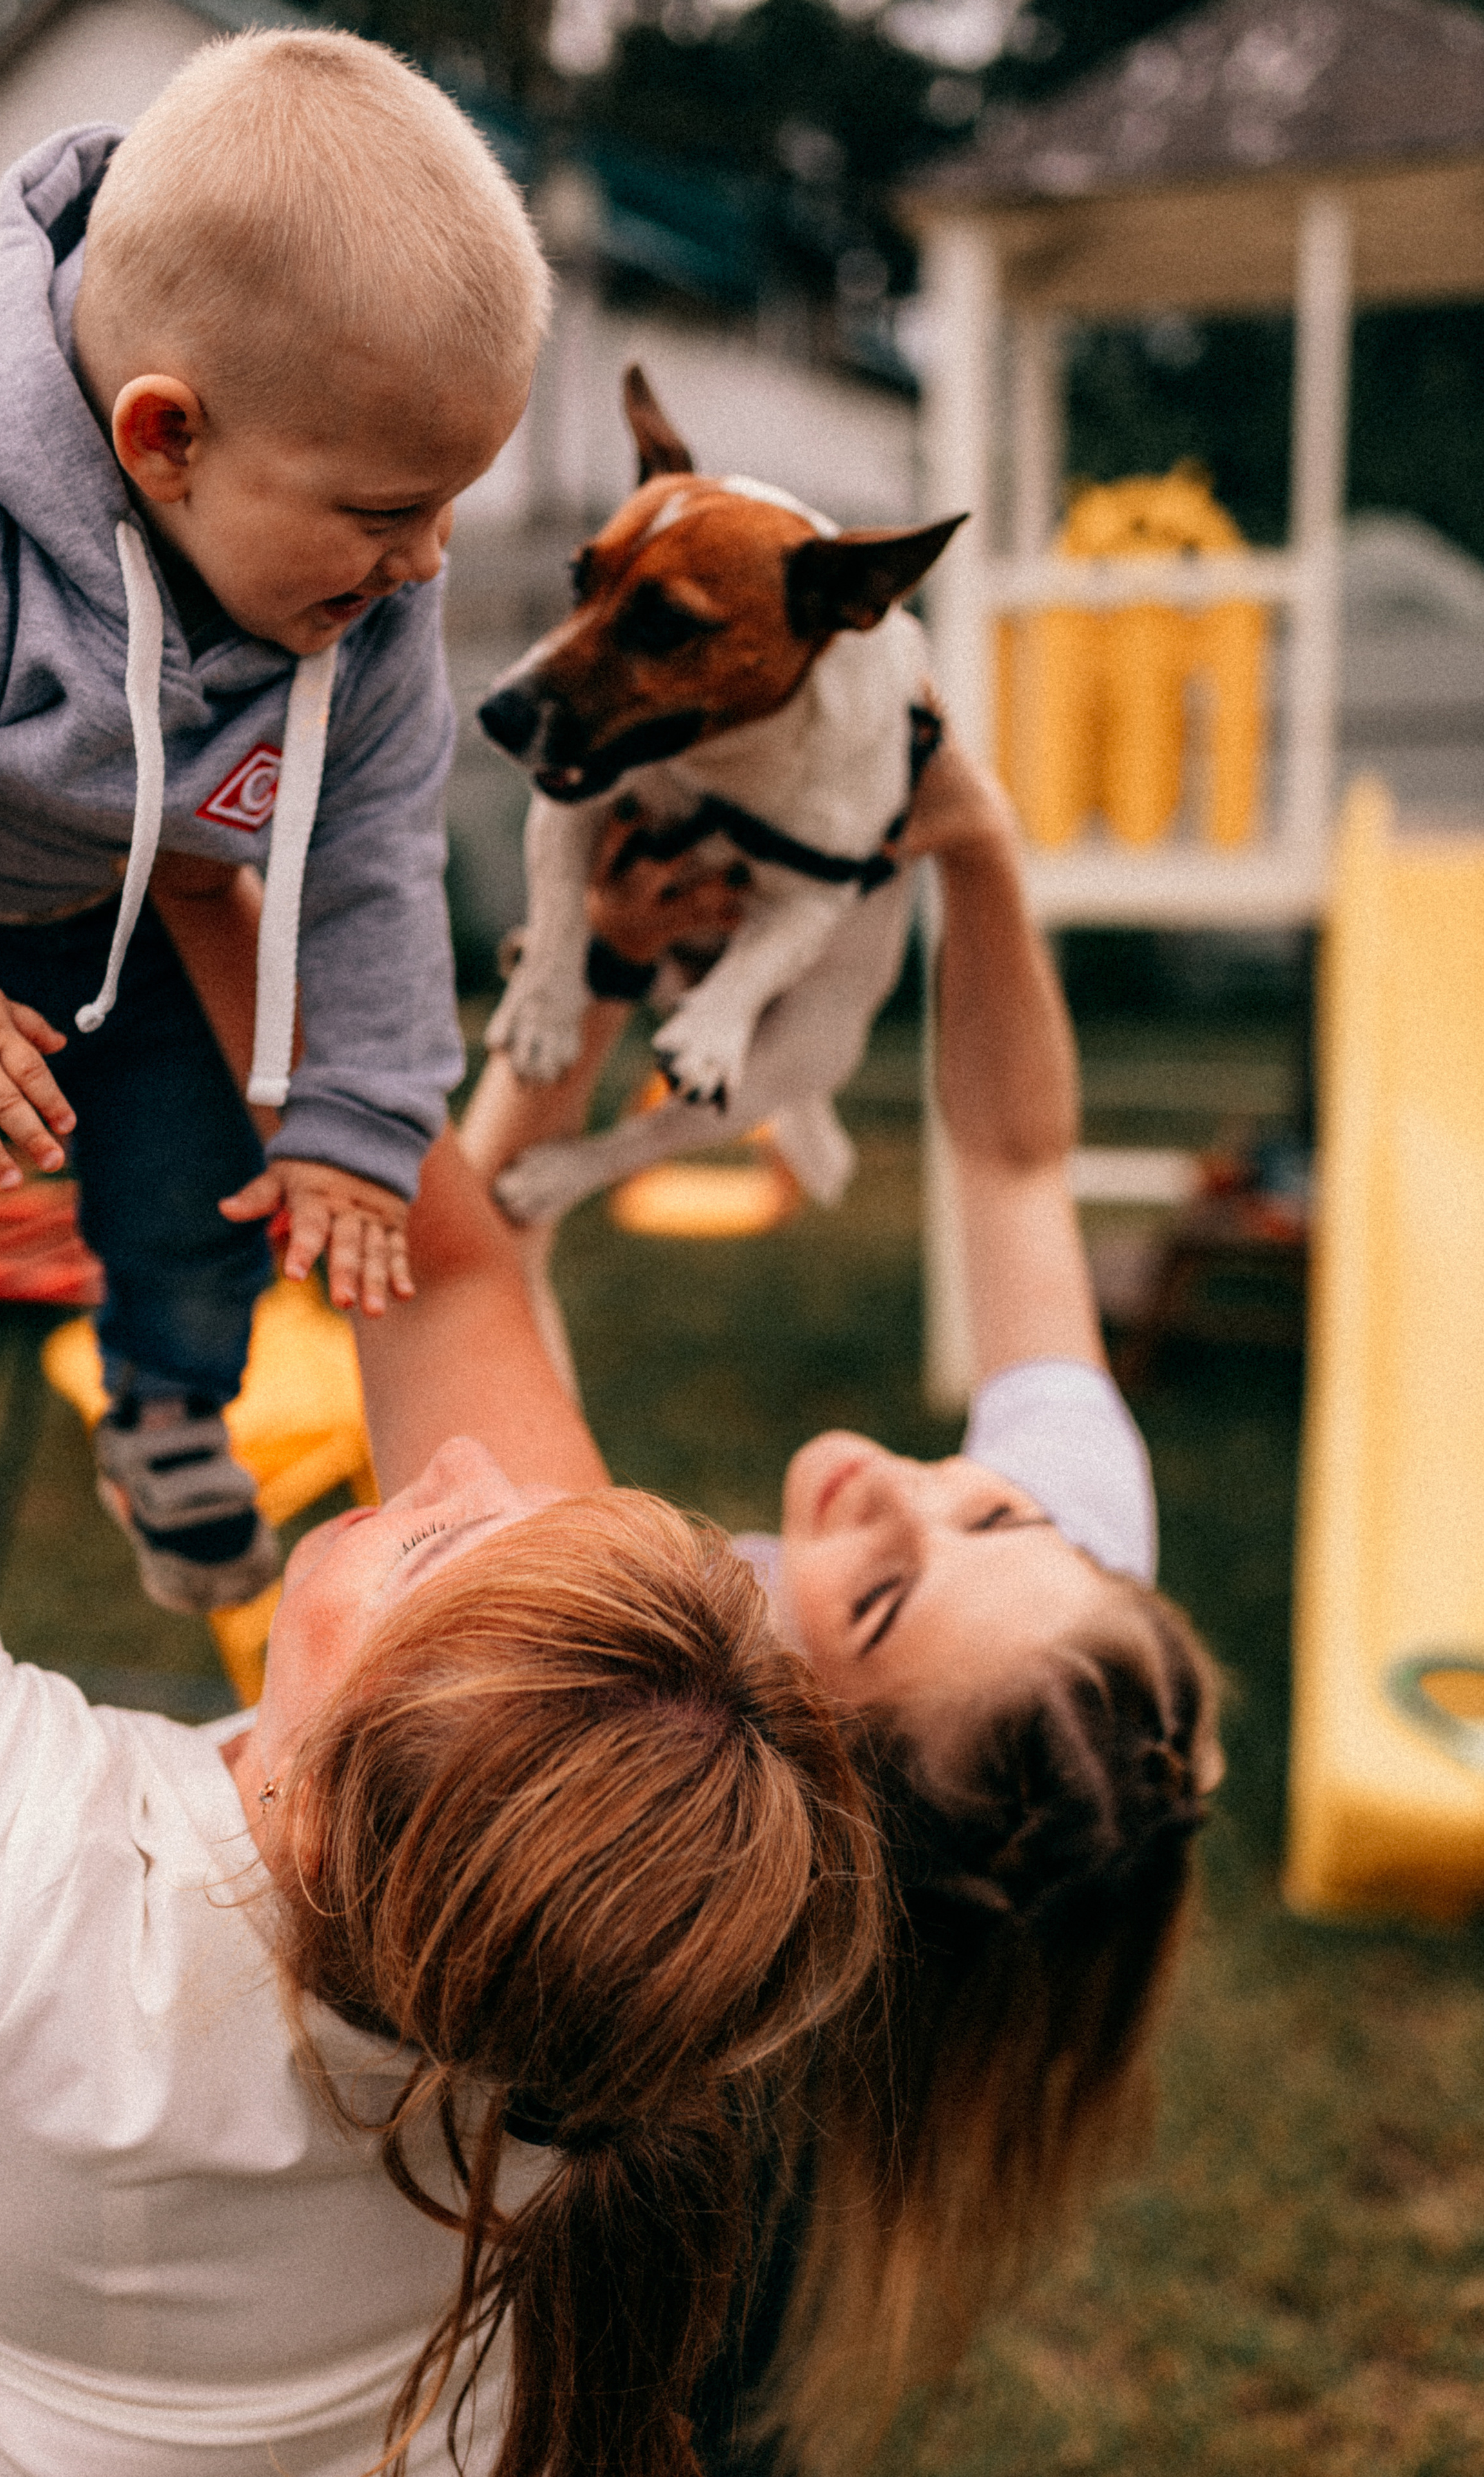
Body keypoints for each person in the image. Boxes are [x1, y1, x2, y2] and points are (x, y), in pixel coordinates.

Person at [0, 1124, 882, 2474]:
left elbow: (441, 1280)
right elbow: (447, 1279)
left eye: (431, 1546)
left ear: (324, 1820)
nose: (457, 1468)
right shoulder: (596, 1961)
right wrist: (306, 1005)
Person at [455, 717, 1224, 2471]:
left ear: (795, 1773)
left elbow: (467, 1272)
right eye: (992, 1509)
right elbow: (1016, 1160)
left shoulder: (614, 1734)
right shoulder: (1054, 1645)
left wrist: (583, 981)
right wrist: (975, 845)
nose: (905, 1488)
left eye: (875, 1602)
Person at [0, 31, 548, 1612]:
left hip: (139, 916)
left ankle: (171, 1405)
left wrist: (361, 1118)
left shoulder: (366, 604)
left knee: (209, 1167)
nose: (427, 560)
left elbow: (371, 851)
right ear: (166, 438)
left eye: (448, 503)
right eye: (387, 511)